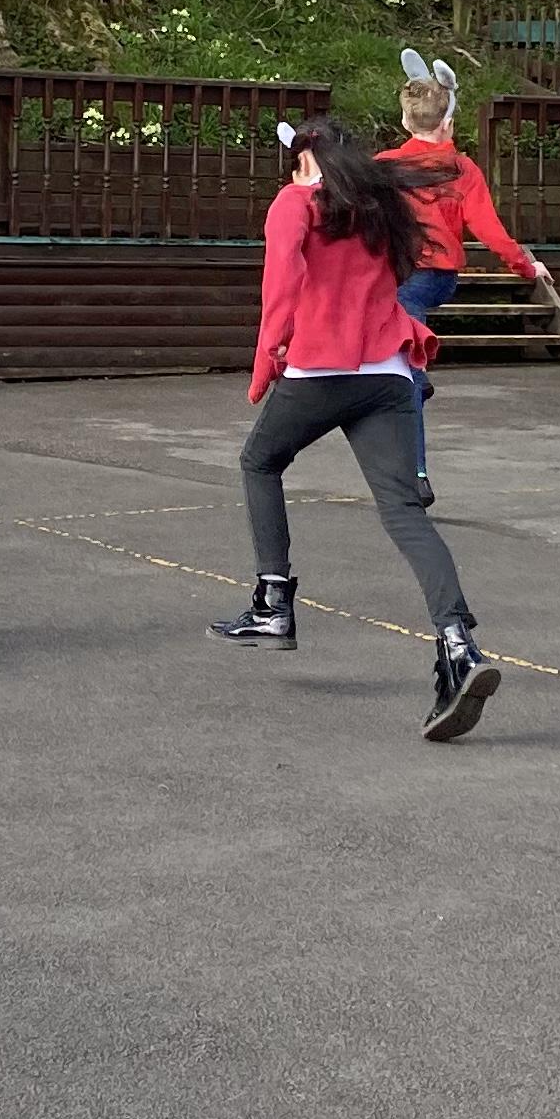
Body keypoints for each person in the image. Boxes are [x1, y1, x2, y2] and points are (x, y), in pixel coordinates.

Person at [209, 116, 507, 744]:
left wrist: (264, 365)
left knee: (259, 462)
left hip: (322, 368)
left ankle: (272, 603)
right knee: (403, 511)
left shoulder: (295, 203)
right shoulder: (382, 206)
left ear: (302, 160)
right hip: (389, 371)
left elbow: (281, 284)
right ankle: (458, 646)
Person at [385, 60, 544, 504]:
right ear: (449, 122)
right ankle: (414, 367)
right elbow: (490, 230)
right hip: (439, 279)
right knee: (399, 350)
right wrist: (526, 266)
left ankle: (416, 471)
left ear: (405, 121)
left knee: (404, 373)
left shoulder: (386, 168)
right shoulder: (462, 169)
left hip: (402, 282)